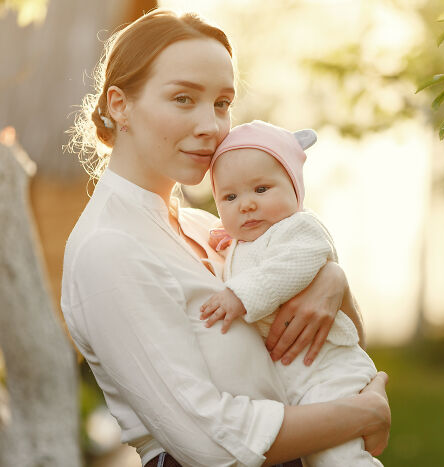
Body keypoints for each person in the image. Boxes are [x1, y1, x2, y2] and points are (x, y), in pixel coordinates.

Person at [61, 8, 390, 467]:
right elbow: (209, 443)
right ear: (120, 105)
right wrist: (361, 413)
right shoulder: (109, 249)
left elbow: (322, 346)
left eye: (221, 103)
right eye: (183, 98)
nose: (211, 126)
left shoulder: (208, 229)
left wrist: (333, 279)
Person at [199, 120, 381, 466]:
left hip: (329, 367)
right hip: (295, 377)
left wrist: (238, 296)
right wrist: (230, 243)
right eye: (230, 196)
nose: (246, 205)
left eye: (262, 189)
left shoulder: (302, 229)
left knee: (339, 457)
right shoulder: (246, 240)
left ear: (295, 189)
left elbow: (286, 269)